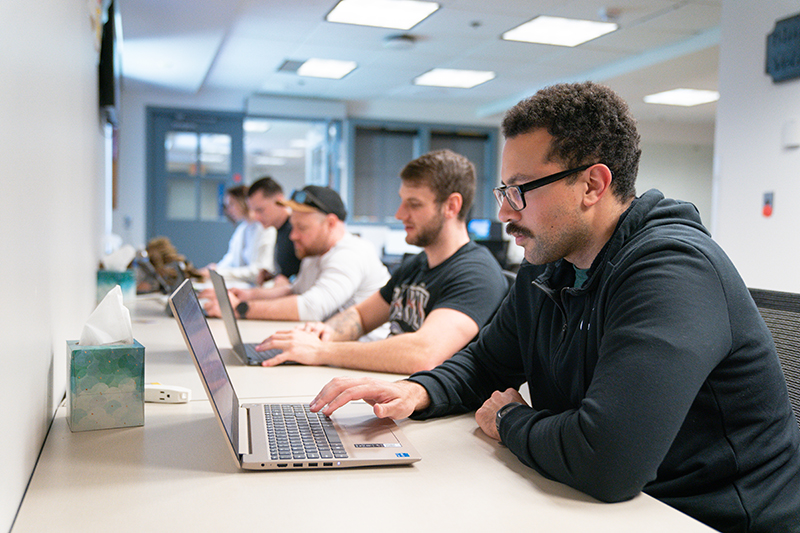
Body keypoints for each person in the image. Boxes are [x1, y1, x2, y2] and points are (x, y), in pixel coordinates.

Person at [308, 82, 800, 533]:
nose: (504, 212)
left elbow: (607, 458)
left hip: (705, 516)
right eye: (504, 190)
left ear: (593, 185)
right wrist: (415, 391)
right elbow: (486, 362)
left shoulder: (673, 272)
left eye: (520, 190)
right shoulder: (549, 263)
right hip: (601, 504)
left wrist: (509, 421)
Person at [257, 149, 508, 374]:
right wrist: (323, 333)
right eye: (402, 201)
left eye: (414, 204)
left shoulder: (477, 274)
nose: (399, 214)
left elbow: (423, 354)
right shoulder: (416, 265)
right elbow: (360, 317)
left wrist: (320, 351)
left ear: (451, 206)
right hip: (390, 388)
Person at [205, 185, 390, 323]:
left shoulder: (351, 253)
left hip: (358, 353)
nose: (293, 236)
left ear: (331, 223)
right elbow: (293, 291)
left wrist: (238, 309)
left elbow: (311, 308)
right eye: (293, 227)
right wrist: (247, 295)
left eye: (302, 228)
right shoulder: (314, 254)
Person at [198, 185, 275, 285]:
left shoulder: (264, 228)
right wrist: (215, 269)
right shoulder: (243, 228)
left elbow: (258, 271)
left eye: (232, 204)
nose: (229, 210)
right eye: (227, 206)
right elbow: (231, 258)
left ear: (244, 202)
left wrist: (219, 272)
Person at [245, 177, 301, 283]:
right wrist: (272, 276)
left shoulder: (296, 233)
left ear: (279, 201)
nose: (256, 217)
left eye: (260, 210)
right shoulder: (278, 231)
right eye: (254, 211)